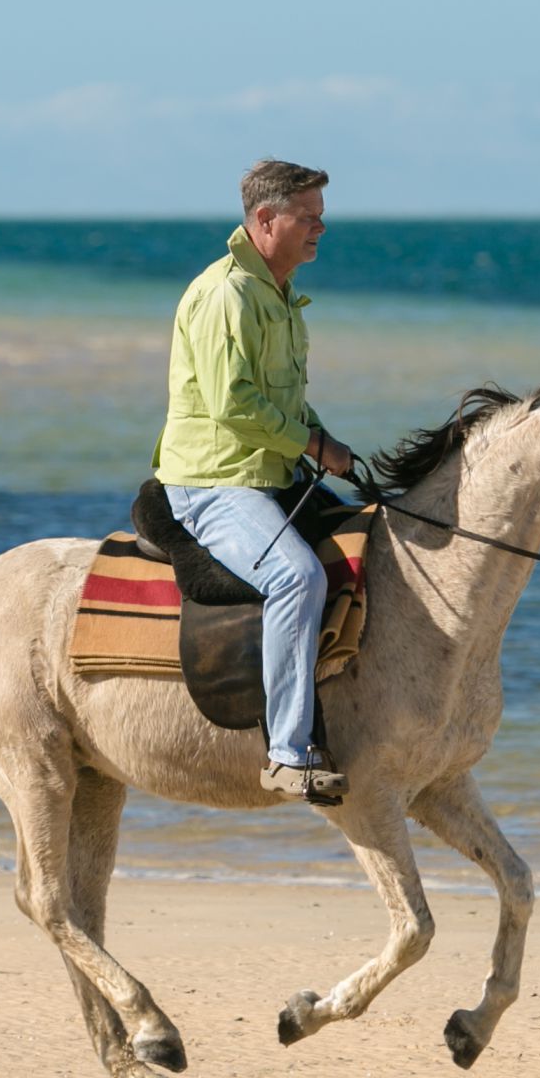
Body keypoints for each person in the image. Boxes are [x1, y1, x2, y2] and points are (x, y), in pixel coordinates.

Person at [153, 159, 358, 802]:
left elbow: (287, 403)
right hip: (214, 484)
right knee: (296, 575)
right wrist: (312, 444)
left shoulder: (281, 294)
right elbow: (233, 406)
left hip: (271, 475)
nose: (321, 228)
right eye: (309, 216)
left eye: (322, 215)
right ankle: (287, 754)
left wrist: (322, 439)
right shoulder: (226, 295)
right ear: (266, 220)